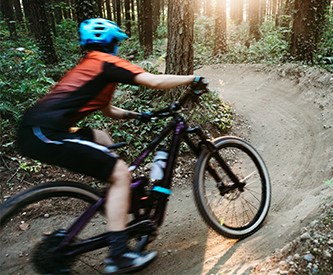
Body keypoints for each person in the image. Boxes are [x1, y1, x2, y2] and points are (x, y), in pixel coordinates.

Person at [17, 18, 205, 274]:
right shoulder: (106, 61)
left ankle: (116, 196)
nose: (119, 48)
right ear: (111, 43)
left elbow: (107, 109)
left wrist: (138, 115)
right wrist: (193, 78)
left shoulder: (91, 66)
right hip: (44, 131)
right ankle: (118, 256)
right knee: (119, 173)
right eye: (117, 43)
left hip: (41, 129)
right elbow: (154, 81)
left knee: (102, 138)